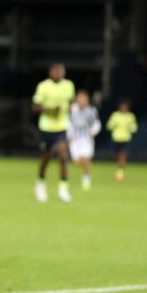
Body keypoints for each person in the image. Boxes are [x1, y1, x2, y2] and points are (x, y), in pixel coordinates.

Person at [32, 63, 74, 203]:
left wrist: (69, 110)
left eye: (60, 71)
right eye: (55, 71)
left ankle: (63, 189)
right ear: (50, 72)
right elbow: (35, 106)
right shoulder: (44, 86)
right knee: (47, 157)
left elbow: (70, 102)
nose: (58, 73)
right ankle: (40, 183)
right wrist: (49, 110)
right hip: (46, 127)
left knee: (63, 155)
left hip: (61, 126)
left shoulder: (68, 86)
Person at [67, 90, 100, 191]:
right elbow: (67, 121)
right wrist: (69, 134)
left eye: (84, 98)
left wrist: (93, 132)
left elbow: (96, 123)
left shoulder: (92, 111)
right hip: (74, 139)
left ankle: (86, 177)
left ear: (87, 99)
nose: (82, 100)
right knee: (76, 160)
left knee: (85, 157)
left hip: (86, 138)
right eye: (80, 98)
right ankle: (86, 169)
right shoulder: (71, 109)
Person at [105, 100, 138, 181]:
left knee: (122, 153)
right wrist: (114, 125)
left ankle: (120, 171)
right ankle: (119, 168)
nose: (124, 108)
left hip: (125, 138)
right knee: (118, 154)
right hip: (116, 137)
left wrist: (130, 128)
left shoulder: (130, 116)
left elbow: (134, 127)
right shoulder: (115, 115)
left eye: (125, 106)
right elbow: (109, 125)